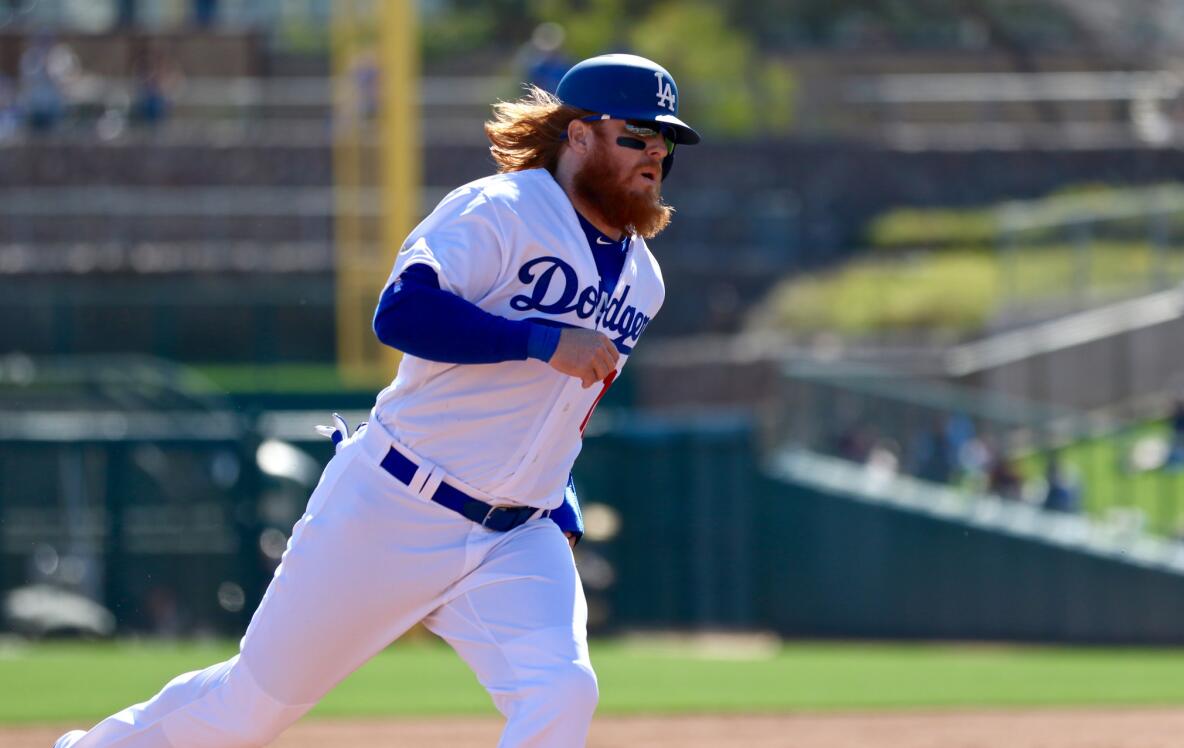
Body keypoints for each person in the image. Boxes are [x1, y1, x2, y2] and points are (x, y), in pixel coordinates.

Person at [55, 52, 700, 748]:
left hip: (517, 534)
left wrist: (556, 492)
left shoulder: (645, 280)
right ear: (578, 136)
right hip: (395, 504)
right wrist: (539, 339)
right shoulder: (502, 209)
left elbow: (556, 412)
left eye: (666, 141)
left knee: (563, 690)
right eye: (636, 134)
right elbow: (401, 313)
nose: (656, 151)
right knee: (253, 707)